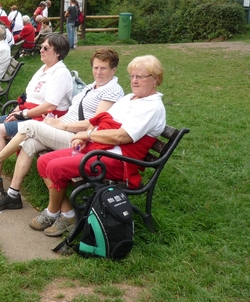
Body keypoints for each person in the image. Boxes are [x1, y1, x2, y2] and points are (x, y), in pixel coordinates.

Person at [0, 50, 124, 226]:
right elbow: (73, 113)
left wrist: (63, 125)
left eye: (104, 68)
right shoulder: (92, 86)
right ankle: (12, 195)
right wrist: (56, 121)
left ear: (114, 70)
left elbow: (95, 123)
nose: (98, 72)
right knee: (29, 143)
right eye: (95, 67)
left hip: (80, 138)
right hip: (65, 129)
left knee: (30, 126)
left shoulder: (113, 90)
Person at [29, 55, 166, 236]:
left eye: (140, 77)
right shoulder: (130, 98)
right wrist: (85, 137)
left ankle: (52, 213)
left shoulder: (152, 106)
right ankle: (67, 213)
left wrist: (88, 134)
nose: (134, 81)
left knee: (55, 166)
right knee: (44, 161)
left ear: (155, 79)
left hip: (117, 161)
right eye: (132, 76)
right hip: (98, 151)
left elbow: (121, 136)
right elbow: (102, 119)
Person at [0, 34, 73, 174]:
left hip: (44, 119)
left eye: (46, 48)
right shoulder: (44, 68)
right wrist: (16, 111)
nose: (41, 50)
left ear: (58, 53)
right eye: (41, 47)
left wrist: (22, 114)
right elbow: (28, 96)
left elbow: (50, 106)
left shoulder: (60, 73)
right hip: (29, 113)